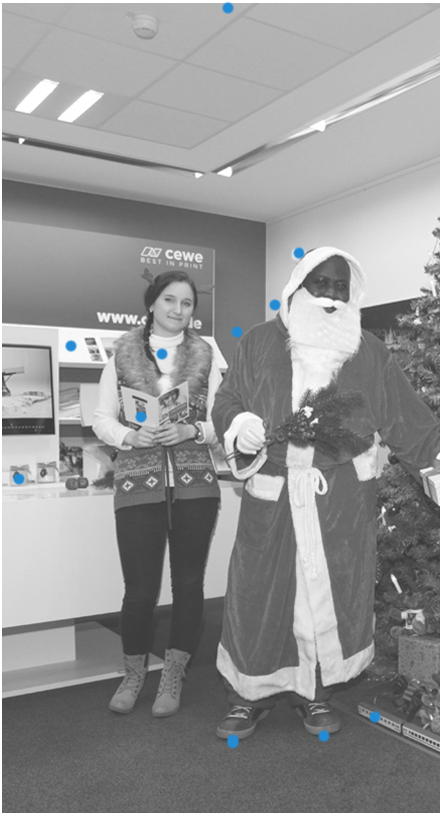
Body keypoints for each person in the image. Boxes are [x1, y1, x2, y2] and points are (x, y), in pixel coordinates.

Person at [211, 246, 440, 740]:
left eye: (341, 287)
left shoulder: (369, 351)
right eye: (321, 284)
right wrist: (239, 422)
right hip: (274, 495)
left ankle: (316, 694)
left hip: (342, 502)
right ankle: (248, 695)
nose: (331, 296)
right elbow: (226, 400)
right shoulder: (257, 343)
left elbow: (405, 417)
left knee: (330, 598)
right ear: (297, 288)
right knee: (259, 595)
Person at [94, 270, 222, 716]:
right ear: (152, 303)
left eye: (186, 303)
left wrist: (193, 430)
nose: (177, 310)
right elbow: (101, 417)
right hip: (137, 482)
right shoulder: (123, 354)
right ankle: (133, 673)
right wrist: (130, 437)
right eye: (169, 300)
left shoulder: (206, 355)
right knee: (139, 590)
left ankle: (173, 673)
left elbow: (223, 419)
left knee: (188, 584)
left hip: (195, 485)